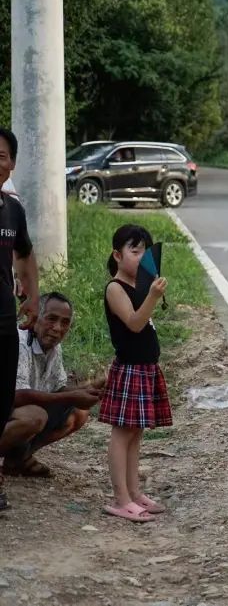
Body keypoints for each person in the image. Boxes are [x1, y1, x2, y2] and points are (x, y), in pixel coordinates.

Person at [99, 224, 170, 522]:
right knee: (122, 433)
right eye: (135, 251)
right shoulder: (115, 288)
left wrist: (150, 292)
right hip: (129, 369)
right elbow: (134, 323)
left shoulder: (140, 285)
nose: (142, 258)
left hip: (145, 368)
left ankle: (134, 492)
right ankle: (121, 499)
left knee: (136, 432)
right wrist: (152, 296)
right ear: (118, 255)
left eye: (145, 253)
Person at [0, 293, 100, 478]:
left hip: (16, 411)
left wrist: (94, 387)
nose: (57, 328)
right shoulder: (19, 341)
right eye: (51, 319)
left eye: (65, 323)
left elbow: (58, 389)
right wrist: (72, 396)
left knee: (79, 413)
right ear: (35, 316)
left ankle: (19, 458)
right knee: (35, 416)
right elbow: (18, 396)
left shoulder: (54, 347)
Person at [0, 128, 39, 512]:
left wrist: (34, 295)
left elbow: (24, 253)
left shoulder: (13, 210)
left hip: (5, 321)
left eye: (1, 156)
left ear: (11, 164)